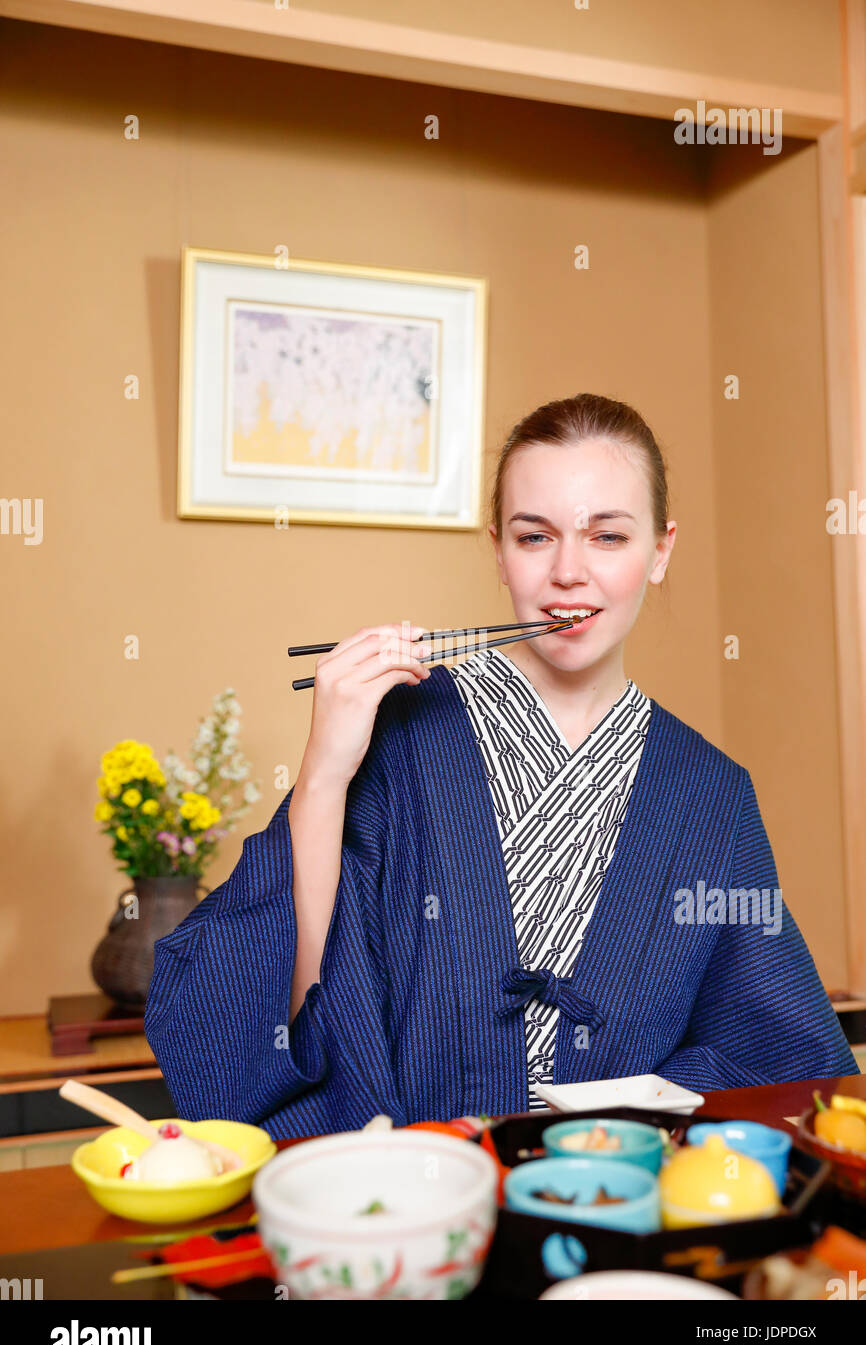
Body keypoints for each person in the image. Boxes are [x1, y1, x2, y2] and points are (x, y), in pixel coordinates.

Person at [145, 393, 859, 1138]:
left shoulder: (708, 792)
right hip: (417, 1200)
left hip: (613, 1196)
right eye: (534, 536)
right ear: (498, 548)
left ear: (661, 549)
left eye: (608, 536)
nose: (568, 574)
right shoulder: (402, 733)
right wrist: (324, 771)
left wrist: (624, 1122)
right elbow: (285, 1009)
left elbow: (773, 1052)